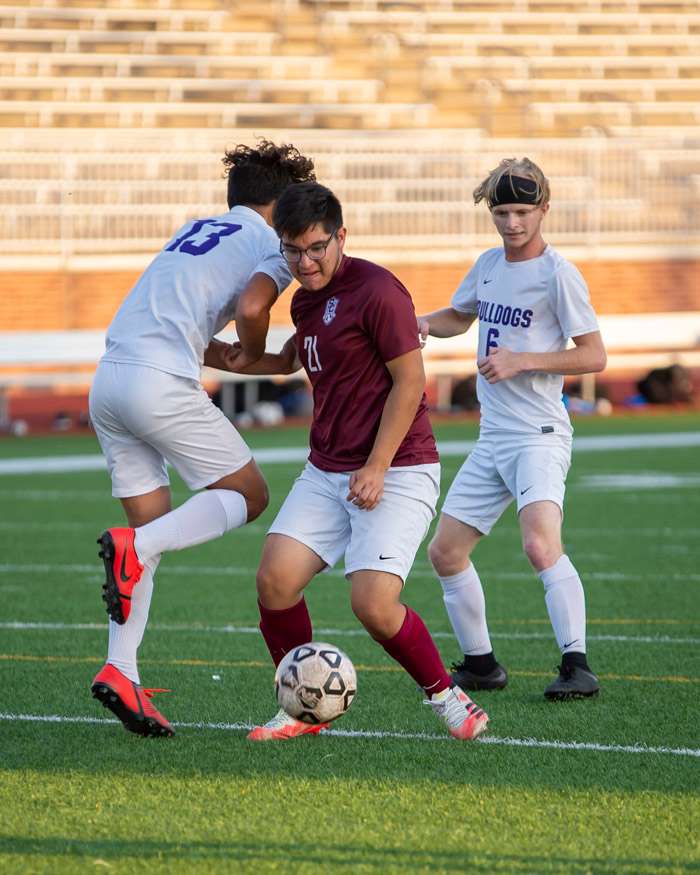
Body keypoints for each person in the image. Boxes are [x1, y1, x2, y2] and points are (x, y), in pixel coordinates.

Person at [229, 181, 489, 742]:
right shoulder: (302, 299)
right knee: (275, 581)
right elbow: (284, 363)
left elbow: (410, 381)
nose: (306, 261)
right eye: (292, 251)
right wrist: (200, 350)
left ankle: (448, 697)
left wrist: (375, 466)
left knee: (372, 604)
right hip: (327, 468)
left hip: (398, 465)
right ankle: (301, 710)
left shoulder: (378, 291)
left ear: (341, 236)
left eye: (317, 247)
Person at [88, 140, 316, 737]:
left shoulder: (198, 230)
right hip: (160, 383)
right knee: (249, 494)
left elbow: (212, 344)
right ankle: (133, 554)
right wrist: (261, 336)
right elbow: (250, 306)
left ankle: (120, 668)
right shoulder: (270, 242)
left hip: (111, 379)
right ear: (279, 203)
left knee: (148, 537)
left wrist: (266, 362)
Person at [418, 158, 607, 700]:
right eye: (502, 212)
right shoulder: (487, 264)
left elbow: (594, 356)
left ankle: (578, 665)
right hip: (493, 438)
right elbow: (461, 316)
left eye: (523, 211)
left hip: (539, 435)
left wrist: (524, 361)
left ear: (544, 209)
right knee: (445, 553)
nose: (512, 223)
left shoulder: (558, 274)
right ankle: (481, 664)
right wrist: (423, 323)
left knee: (540, 546)